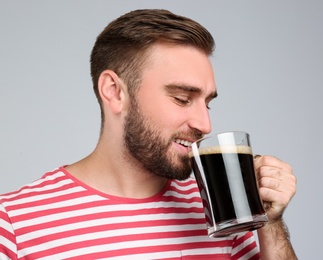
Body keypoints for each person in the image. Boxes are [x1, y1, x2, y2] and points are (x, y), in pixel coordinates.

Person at [0, 9, 297, 259]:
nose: (205, 125)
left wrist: (269, 223)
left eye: (207, 103)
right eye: (182, 98)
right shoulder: (14, 222)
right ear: (114, 92)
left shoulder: (224, 213)